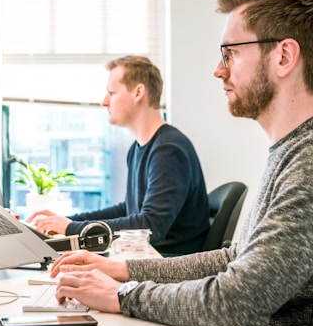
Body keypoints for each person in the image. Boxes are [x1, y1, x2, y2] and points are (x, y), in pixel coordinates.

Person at [48, 0, 313, 326]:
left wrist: (123, 295)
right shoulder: (289, 152)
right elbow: (234, 259)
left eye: (230, 53)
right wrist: (123, 271)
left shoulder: (307, 165)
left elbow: (237, 302)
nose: (218, 70)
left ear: (284, 56)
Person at [28, 55, 210, 256]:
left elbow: (150, 227)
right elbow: (129, 209)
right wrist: (69, 221)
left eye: (112, 93)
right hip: (146, 257)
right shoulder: (139, 148)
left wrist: (72, 229)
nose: (104, 102)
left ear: (138, 92)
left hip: (167, 265)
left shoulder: (168, 150)